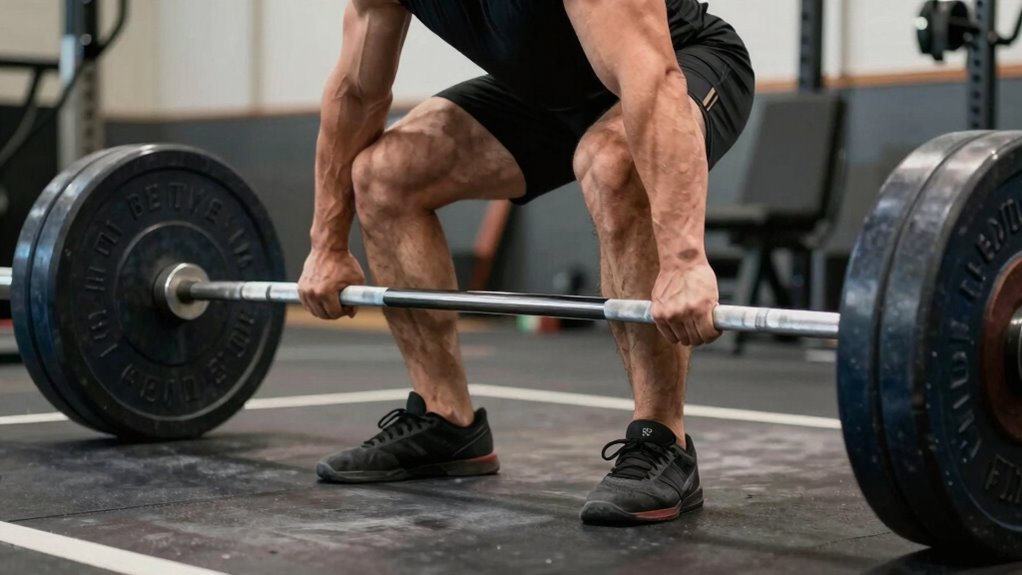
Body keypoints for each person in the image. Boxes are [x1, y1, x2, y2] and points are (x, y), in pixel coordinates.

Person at [298, 0, 754, 525]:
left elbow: (649, 79)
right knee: (384, 174)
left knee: (612, 164)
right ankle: (447, 421)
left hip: (678, 64)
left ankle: (661, 438)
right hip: (545, 96)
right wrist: (328, 244)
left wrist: (683, 259)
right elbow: (356, 91)